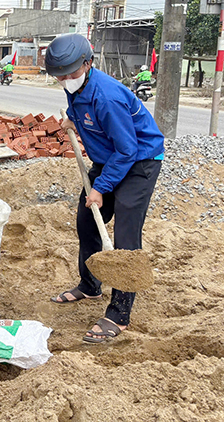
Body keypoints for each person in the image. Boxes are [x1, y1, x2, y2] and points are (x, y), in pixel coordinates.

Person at [45, 34, 164, 343]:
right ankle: (90, 284)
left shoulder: (107, 96)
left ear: (88, 64)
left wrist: (101, 188)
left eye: (72, 73)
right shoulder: (78, 87)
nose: (66, 80)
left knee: (125, 231)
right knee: (87, 223)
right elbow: (82, 111)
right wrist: (72, 120)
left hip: (139, 160)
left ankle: (120, 313)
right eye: (61, 75)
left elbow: (127, 149)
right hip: (109, 159)